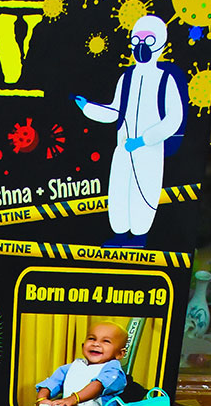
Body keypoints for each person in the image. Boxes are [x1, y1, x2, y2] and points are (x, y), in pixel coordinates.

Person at [74, 15, 185, 243]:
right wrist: (89, 108)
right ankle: (120, 234)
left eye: (148, 40)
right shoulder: (126, 78)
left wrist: (144, 140)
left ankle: (140, 236)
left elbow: (174, 118)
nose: (141, 46)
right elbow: (116, 111)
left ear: (160, 43)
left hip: (150, 150)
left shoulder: (165, 80)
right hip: (123, 149)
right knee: (119, 191)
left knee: (144, 192)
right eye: (137, 40)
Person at [35, 319, 128, 406]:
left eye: (106, 341)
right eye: (92, 338)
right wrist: (42, 399)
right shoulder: (72, 367)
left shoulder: (113, 369)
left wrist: (73, 399)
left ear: (120, 353)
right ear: (83, 346)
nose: (96, 344)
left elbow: (98, 385)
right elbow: (52, 382)